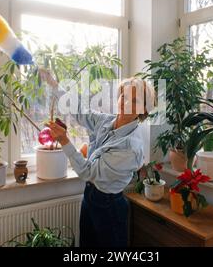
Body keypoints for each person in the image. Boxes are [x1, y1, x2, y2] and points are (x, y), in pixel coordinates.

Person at [39, 68, 155, 247]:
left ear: (143, 109)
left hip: (110, 208)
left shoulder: (131, 147)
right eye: (123, 96)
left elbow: (88, 172)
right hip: (90, 197)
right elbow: (80, 111)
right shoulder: (106, 121)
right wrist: (54, 84)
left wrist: (64, 140)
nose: (126, 103)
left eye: (135, 100)